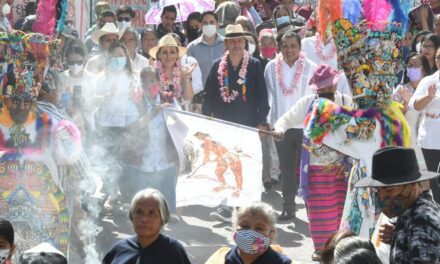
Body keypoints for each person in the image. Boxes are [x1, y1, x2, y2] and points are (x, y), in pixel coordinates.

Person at [0, 31, 82, 257]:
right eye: (13, 100)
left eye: (25, 100)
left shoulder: (53, 121)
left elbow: (77, 167)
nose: (19, 105)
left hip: (45, 216)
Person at [273, 64, 353, 260]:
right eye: (321, 87)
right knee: (320, 213)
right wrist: (280, 130)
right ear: (315, 87)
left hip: (342, 168)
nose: (325, 90)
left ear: (335, 85)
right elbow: (284, 119)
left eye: (328, 86)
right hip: (316, 168)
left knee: (342, 210)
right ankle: (323, 250)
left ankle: (340, 248)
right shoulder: (308, 103)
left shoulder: (346, 101)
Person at [203, 24, 270, 222]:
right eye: (232, 41)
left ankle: (244, 209)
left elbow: (262, 97)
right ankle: (224, 205)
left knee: (244, 166)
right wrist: (207, 122)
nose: (235, 44)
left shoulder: (255, 65)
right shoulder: (217, 65)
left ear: (245, 43)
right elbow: (208, 96)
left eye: (239, 40)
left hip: (247, 126)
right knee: (224, 165)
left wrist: (261, 122)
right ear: (225, 43)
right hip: (223, 125)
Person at [355, 146, 440, 264]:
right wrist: (400, 236)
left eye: (389, 190)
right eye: (378, 191)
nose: (382, 197)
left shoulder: (421, 220)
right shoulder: (412, 214)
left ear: (414, 185)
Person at [264, 30, 316, 221]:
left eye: (293, 46)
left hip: (305, 126)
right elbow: (268, 96)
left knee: (307, 169)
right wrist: (270, 123)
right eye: (285, 46)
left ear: (300, 48)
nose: (289, 50)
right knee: (286, 169)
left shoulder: (311, 67)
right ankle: (288, 206)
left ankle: (312, 209)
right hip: (281, 127)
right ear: (279, 48)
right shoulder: (270, 67)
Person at [121, 66, 180, 217]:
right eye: (144, 81)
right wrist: (151, 115)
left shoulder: (170, 100)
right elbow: (132, 128)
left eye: (152, 80)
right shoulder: (134, 102)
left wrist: (174, 116)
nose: (149, 85)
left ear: (160, 82)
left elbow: (181, 123)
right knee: (144, 213)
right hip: (142, 163)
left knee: (166, 215)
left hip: (165, 162)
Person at [92, 41, 139, 211]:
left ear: (126, 58)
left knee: (125, 162)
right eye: (114, 56)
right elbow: (93, 100)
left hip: (126, 126)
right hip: (105, 126)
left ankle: (127, 198)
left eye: (121, 56)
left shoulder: (133, 78)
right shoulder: (101, 77)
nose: (118, 59)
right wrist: (107, 95)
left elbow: (138, 101)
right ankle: (109, 195)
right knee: (108, 161)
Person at [103, 188, 191, 263]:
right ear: (131, 217)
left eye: (151, 213)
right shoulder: (119, 250)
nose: (144, 219)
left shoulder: (173, 250)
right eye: (138, 212)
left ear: (162, 219)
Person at [205, 202, 291, 264]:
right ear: (235, 227)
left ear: (271, 234)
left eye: (259, 228)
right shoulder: (225, 258)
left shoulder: (282, 262)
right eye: (245, 226)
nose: (250, 233)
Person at [408, 47, 440, 204]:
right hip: (430, 141)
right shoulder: (428, 81)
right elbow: (414, 106)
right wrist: (428, 97)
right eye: (438, 57)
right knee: (434, 183)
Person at [393, 53, 430, 150]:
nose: (412, 68)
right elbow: (394, 117)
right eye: (409, 65)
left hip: (427, 140)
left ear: (424, 70)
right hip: (406, 141)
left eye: (416, 65)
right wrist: (405, 103)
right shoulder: (401, 89)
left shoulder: (431, 89)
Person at [149, 34, 196, 109]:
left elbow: (188, 97)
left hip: (179, 114)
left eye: (172, 52)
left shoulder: (183, 72)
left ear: (177, 55)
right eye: (164, 52)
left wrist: (188, 77)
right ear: (159, 55)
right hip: (158, 113)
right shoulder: (153, 72)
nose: (169, 56)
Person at [59, 45, 96, 135]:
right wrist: (67, 103)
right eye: (71, 62)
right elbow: (58, 102)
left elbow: (95, 104)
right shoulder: (62, 78)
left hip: (87, 125)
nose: (75, 65)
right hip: (66, 126)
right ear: (66, 61)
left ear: (84, 60)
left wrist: (83, 102)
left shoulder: (91, 78)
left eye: (79, 62)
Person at [187, 11, 225, 87]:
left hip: (225, 93)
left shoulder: (226, 44)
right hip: (201, 94)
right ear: (201, 25)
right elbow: (188, 73)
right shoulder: (192, 47)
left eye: (212, 22)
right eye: (205, 23)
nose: (209, 25)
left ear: (217, 24)